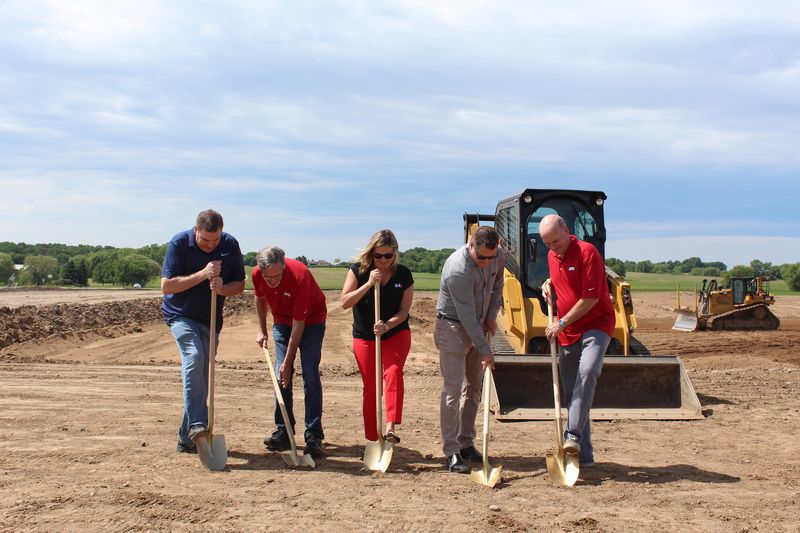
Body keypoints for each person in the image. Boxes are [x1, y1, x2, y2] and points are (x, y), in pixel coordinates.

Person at [161, 209, 246, 454]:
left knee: (203, 377)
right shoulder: (179, 243)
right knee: (194, 357)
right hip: (181, 314)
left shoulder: (230, 244)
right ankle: (198, 424)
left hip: (210, 320)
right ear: (196, 230)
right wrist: (203, 274)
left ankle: (186, 439)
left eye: (215, 240)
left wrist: (222, 288)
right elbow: (167, 285)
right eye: (205, 240)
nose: (211, 245)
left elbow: (239, 285)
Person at [540, 214, 615, 467]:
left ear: (566, 231)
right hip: (569, 333)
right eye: (547, 244)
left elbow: (590, 298)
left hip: (596, 325)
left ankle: (571, 434)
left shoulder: (587, 252)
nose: (552, 248)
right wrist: (548, 285)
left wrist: (560, 323)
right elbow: (560, 283)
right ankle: (583, 455)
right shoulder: (552, 256)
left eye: (555, 242)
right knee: (572, 392)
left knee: (588, 372)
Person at [435, 226, 505, 473]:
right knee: (453, 390)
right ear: (471, 246)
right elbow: (465, 317)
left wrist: (492, 314)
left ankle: (466, 443)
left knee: (474, 388)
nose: (487, 262)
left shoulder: (498, 254)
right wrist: (486, 349)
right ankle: (451, 451)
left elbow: (498, 286)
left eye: (491, 257)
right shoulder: (458, 271)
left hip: (479, 324)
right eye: (482, 257)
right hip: (453, 327)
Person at [341, 229, 414, 445]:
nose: (383, 260)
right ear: (371, 254)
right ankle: (373, 438)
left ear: (395, 253)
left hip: (395, 332)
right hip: (364, 335)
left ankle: (390, 427)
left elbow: (404, 312)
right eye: (378, 255)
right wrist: (368, 284)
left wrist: (387, 325)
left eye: (387, 256)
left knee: (392, 373)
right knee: (371, 386)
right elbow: (345, 302)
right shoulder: (358, 271)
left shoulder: (403, 275)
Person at [253, 246, 327, 459]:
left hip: (311, 321)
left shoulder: (300, 275)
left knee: (310, 373)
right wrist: (262, 330)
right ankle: (284, 430)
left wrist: (288, 361)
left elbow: (299, 324)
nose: (272, 281)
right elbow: (260, 298)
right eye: (268, 277)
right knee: (280, 374)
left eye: (277, 276)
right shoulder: (258, 274)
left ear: (284, 266)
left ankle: (313, 435)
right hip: (281, 320)